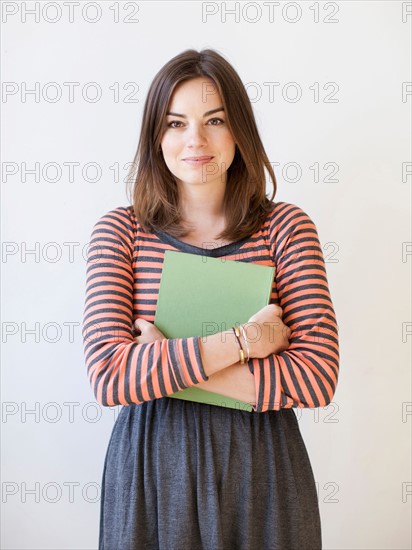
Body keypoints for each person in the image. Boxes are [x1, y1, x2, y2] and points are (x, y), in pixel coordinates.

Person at [82, 48, 339, 550]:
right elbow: (111, 378)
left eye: (214, 120)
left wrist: (158, 365)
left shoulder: (286, 228)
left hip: (264, 468)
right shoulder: (120, 233)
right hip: (152, 467)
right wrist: (248, 340)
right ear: (156, 138)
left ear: (239, 130)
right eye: (175, 123)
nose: (194, 140)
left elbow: (317, 378)